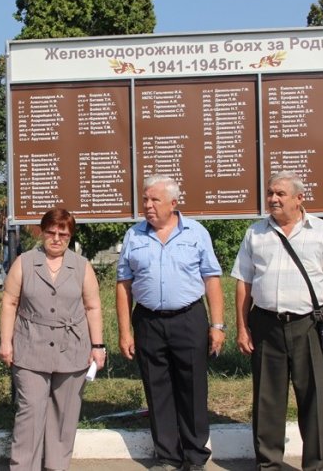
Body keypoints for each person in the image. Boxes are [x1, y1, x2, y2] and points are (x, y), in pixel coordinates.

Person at [231, 170, 323, 471]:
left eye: (280, 194)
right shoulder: (256, 233)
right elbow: (243, 283)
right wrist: (242, 327)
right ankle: (269, 464)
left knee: (314, 401)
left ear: (299, 198)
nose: (273, 199)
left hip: (309, 326)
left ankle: (315, 466)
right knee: (267, 401)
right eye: (270, 193)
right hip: (265, 325)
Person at [115, 175, 226, 471]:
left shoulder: (196, 233)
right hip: (148, 320)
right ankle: (167, 456)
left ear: (174, 203)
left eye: (155, 200)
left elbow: (212, 279)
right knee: (157, 388)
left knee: (192, 388)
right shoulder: (134, 236)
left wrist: (217, 325)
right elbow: (123, 284)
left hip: (189, 319)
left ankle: (194, 456)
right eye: (145, 200)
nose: (148, 206)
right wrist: (125, 331)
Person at [0, 207, 106, 471]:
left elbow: (92, 307)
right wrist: (5, 342)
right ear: (42, 231)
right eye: (51, 232)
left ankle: (57, 466)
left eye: (63, 234)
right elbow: (10, 303)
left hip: (73, 350)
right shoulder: (23, 263)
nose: (56, 238)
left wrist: (98, 346)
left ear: (70, 237)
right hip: (30, 348)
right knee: (30, 412)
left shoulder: (82, 267)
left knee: (64, 415)